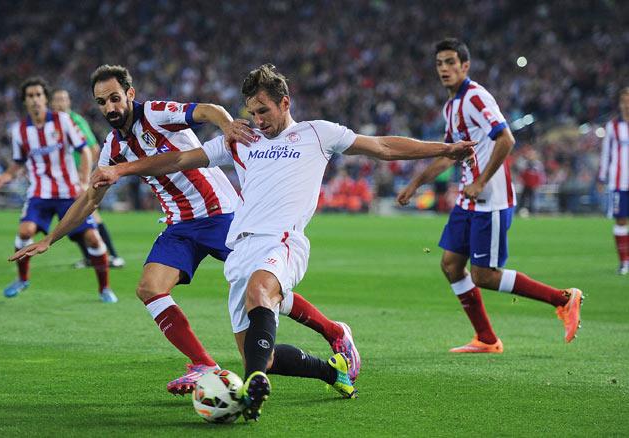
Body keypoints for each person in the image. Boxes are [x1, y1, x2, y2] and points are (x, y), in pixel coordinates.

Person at [87, 63, 475, 420]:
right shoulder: (241, 139)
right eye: (252, 113)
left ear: (284, 102)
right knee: (263, 352)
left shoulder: (317, 133)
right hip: (242, 249)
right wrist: (120, 169)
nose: (257, 120)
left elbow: (384, 147)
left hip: (284, 240)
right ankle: (332, 371)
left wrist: (444, 149)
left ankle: (253, 386)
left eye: (264, 111)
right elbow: (175, 161)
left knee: (261, 295)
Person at [11, 65, 361, 397]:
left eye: (115, 97)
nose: (110, 107)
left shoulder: (156, 113)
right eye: (102, 102)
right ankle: (204, 365)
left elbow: (208, 110)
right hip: (180, 225)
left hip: (222, 214)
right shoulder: (113, 149)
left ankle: (333, 331)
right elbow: (91, 198)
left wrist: (227, 126)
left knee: (265, 289)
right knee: (149, 288)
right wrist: (50, 238)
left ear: (129, 93)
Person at [397, 38, 583, 353]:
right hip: (468, 200)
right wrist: (416, 183)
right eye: (440, 63)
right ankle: (486, 338)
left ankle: (563, 299)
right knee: (451, 265)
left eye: (451, 62)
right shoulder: (451, 105)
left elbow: (506, 139)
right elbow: (449, 155)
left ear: (465, 66)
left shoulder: (475, 97)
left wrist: (481, 182)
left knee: (484, 275)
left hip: (490, 200)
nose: (444, 69)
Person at [0, 76, 116, 303]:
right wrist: (3, 178)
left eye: (39, 95)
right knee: (24, 232)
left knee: (93, 240)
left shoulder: (63, 121)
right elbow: (18, 162)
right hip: (40, 193)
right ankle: (22, 279)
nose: (35, 100)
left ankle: (104, 288)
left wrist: (84, 180)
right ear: (25, 101)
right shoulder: (19, 130)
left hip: (69, 193)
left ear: (45, 98)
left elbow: (86, 150)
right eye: (30, 96)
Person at [50, 88, 125, 269]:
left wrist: (83, 174)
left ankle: (112, 256)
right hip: (60, 179)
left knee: (89, 213)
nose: (60, 103)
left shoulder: (74, 121)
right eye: (57, 100)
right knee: (71, 216)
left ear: (68, 103)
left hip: (76, 177)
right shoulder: (50, 124)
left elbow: (92, 148)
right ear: (52, 104)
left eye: (63, 99)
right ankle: (90, 257)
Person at [598, 87, 629, 275]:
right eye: (624, 99)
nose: (626, 103)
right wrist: (602, 177)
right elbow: (605, 154)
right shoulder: (613, 127)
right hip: (619, 183)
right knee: (621, 221)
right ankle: (624, 262)